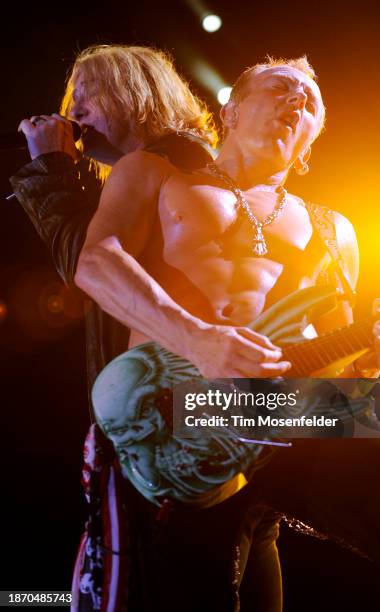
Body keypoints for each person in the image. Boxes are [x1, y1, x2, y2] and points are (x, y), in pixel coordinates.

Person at [74, 55, 380, 611]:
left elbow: (341, 373)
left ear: (309, 144)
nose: (297, 102)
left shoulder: (336, 230)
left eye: (311, 105)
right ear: (231, 111)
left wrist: (374, 361)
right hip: (189, 413)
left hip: (294, 410)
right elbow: (95, 262)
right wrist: (199, 340)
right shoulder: (159, 174)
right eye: (281, 89)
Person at [10, 44, 217, 611]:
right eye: (71, 95)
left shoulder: (170, 166)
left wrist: (50, 169)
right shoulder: (163, 167)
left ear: (138, 95)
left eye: (89, 92)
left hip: (176, 425)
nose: (74, 109)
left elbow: (90, 264)